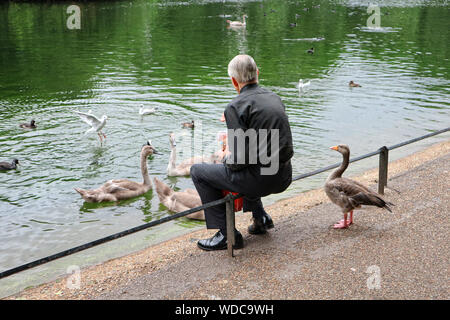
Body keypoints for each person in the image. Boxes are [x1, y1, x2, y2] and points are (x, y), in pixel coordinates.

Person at [190, 54, 293, 251]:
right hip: (283, 176)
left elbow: (237, 161)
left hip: (261, 181)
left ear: (233, 81)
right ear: (257, 73)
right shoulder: (274, 98)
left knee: (198, 171)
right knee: (258, 163)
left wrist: (225, 157)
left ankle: (227, 235)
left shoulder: (235, 106)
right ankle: (260, 217)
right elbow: (268, 143)